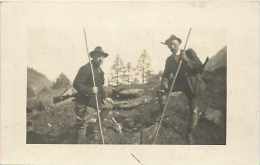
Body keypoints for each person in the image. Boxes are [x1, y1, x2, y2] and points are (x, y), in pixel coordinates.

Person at [160, 34, 203, 143]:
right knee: (160, 93)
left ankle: (190, 132)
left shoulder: (189, 53)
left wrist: (187, 60)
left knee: (193, 110)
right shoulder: (169, 60)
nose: (172, 47)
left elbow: (199, 68)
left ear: (179, 44)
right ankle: (163, 117)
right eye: (170, 45)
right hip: (178, 85)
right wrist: (164, 83)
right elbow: (165, 75)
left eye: (174, 44)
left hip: (192, 85)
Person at [73, 46, 109, 143]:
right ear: (93, 56)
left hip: (94, 102)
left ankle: (91, 138)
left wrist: (105, 97)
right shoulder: (86, 69)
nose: (101, 59)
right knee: (83, 125)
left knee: (94, 120)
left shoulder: (100, 71)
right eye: (98, 56)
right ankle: (80, 145)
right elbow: (76, 84)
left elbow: (100, 86)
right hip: (84, 102)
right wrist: (90, 90)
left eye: (102, 57)